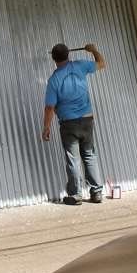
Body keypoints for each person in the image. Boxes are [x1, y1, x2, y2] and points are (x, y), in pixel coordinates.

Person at [41, 42, 106, 205]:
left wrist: (46, 127)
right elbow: (102, 63)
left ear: (54, 59)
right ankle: (96, 192)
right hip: (87, 119)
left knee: (73, 159)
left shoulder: (54, 80)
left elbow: (50, 107)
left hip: (68, 123)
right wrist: (94, 50)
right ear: (68, 55)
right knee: (90, 155)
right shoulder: (81, 66)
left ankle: (76, 195)